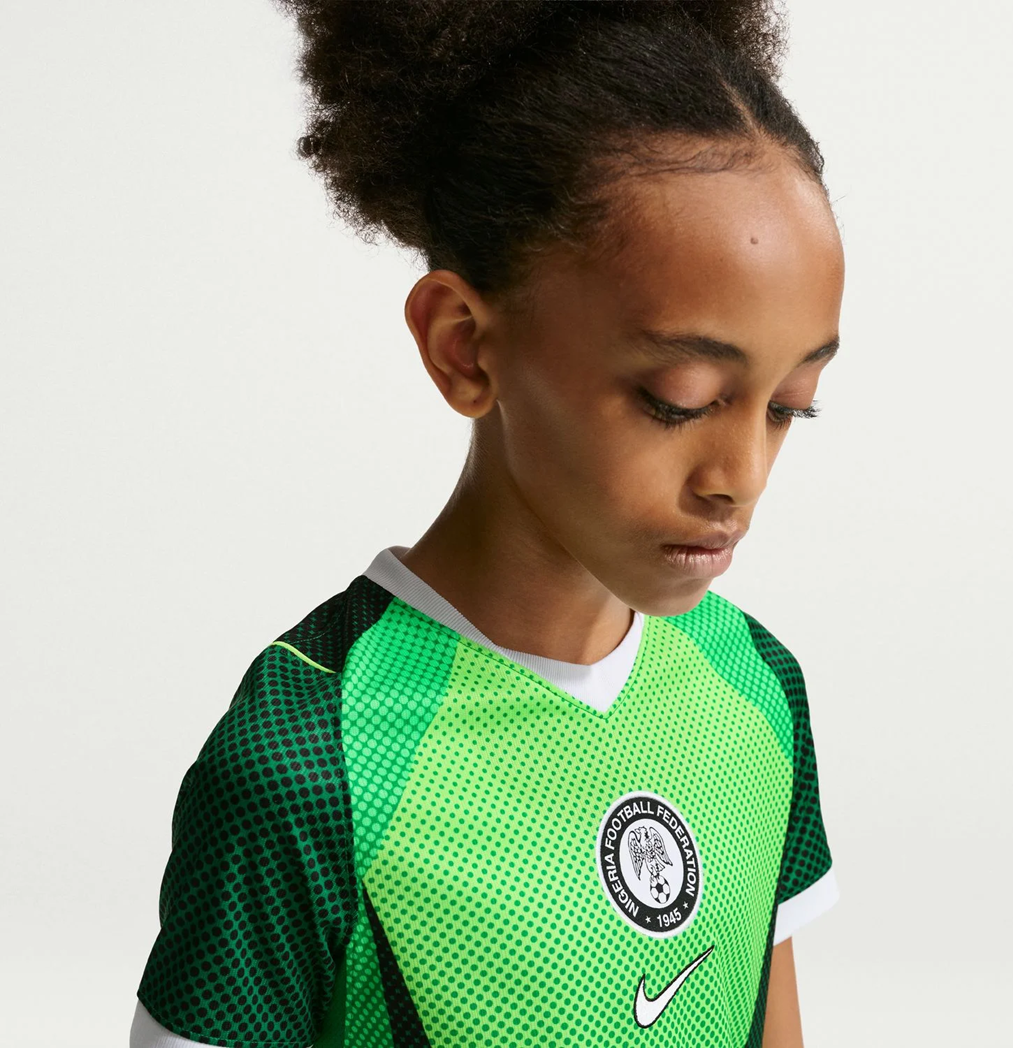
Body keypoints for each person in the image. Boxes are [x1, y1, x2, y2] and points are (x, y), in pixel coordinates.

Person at [130, 1, 844, 1045]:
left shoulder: (755, 688)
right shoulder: (307, 759)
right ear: (464, 346)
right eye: (679, 400)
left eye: (789, 406)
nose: (740, 478)